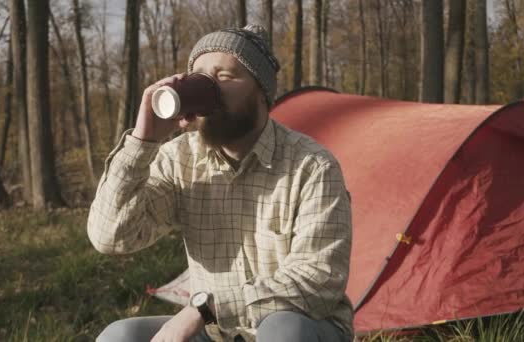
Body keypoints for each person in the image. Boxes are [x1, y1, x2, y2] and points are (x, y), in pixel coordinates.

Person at [87, 24, 353, 342]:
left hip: (306, 326)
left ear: (261, 91)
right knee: (120, 336)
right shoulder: (178, 159)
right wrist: (142, 142)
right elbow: (111, 236)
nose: (209, 88)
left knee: (283, 329)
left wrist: (205, 308)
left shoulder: (312, 165)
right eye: (199, 76)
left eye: (223, 77)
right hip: (217, 331)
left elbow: (317, 280)